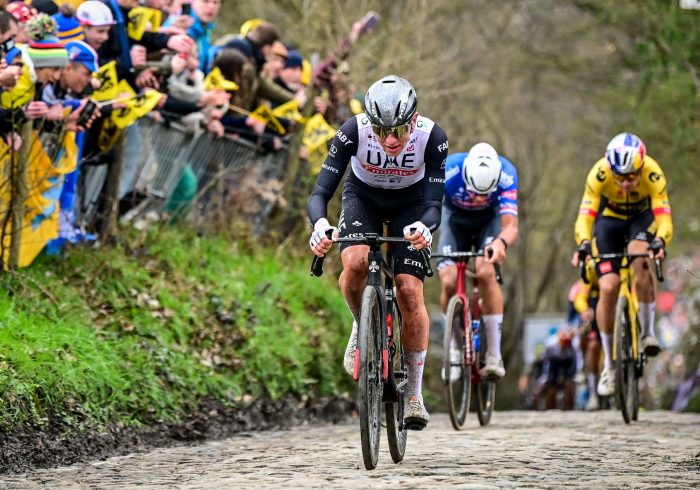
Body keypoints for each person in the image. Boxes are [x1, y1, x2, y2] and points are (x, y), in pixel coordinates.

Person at [307, 75, 448, 429]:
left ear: (413, 121)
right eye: (382, 130)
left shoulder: (433, 138)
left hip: (412, 203)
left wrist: (423, 228)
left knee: (409, 289)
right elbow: (320, 192)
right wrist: (320, 226)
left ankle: (413, 393)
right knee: (354, 261)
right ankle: (361, 326)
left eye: (399, 131)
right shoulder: (353, 130)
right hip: (363, 196)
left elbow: (434, 204)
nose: (389, 140)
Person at [572, 132, 673, 397]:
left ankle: (648, 333)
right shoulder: (599, 174)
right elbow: (585, 217)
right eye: (621, 177)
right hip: (609, 222)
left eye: (632, 177)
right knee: (608, 288)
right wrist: (583, 244)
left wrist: (661, 241)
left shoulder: (653, 173)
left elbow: (664, 217)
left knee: (640, 258)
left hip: (642, 219)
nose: (626, 183)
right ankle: (609, 364)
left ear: (640, 168)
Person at [437, 142, 518, 379]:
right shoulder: (448, 170)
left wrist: (500, 243)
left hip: (488, 222)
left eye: (485, 194)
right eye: (474, 192)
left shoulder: (506, 174)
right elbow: (427, 207)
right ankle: (453, 344)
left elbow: (511, 226)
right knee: (449, 280)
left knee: (485, 272)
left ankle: (493, 354)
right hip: (454, 219)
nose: (478, 198)